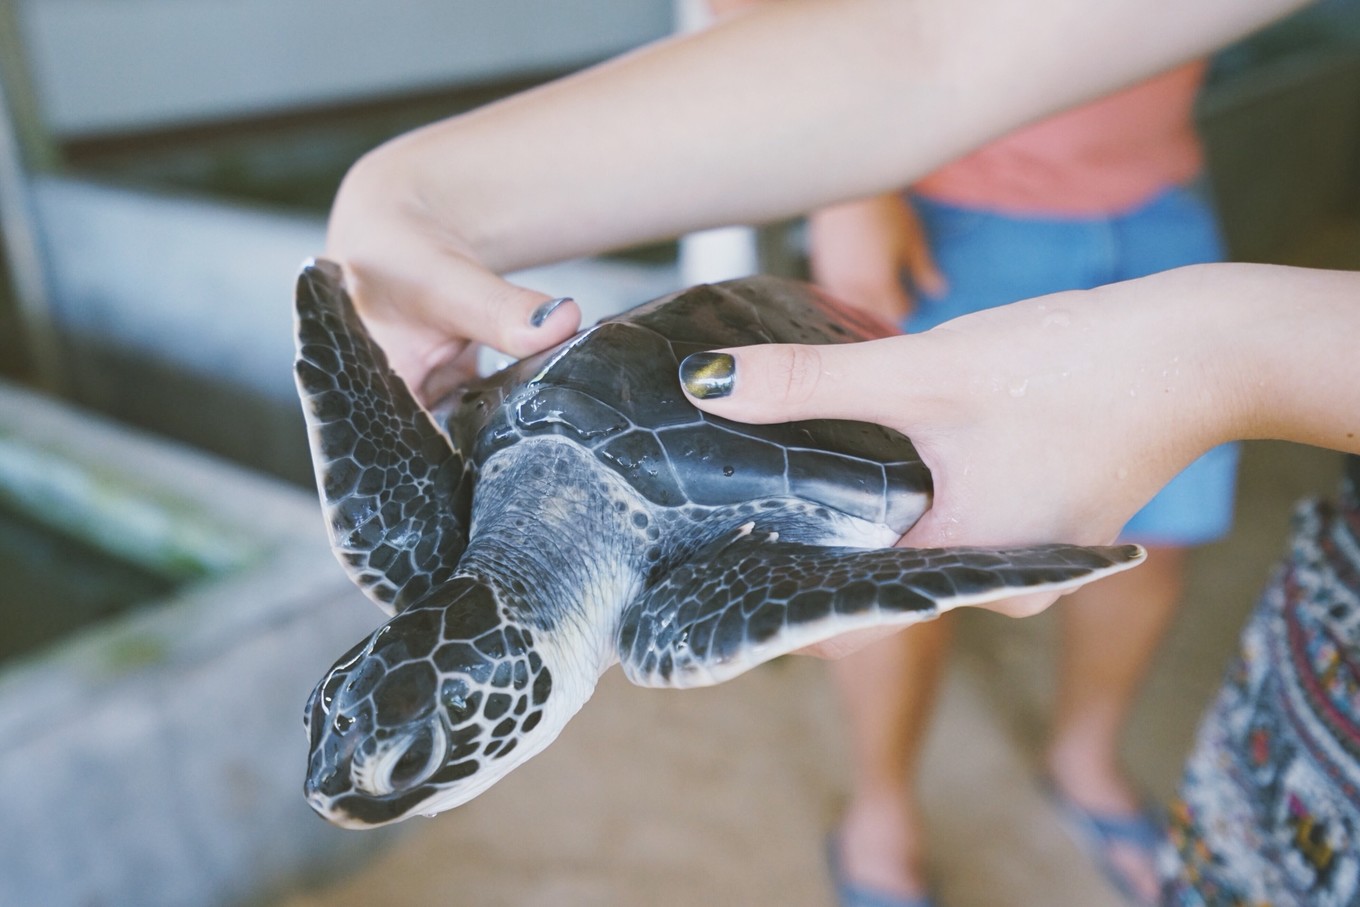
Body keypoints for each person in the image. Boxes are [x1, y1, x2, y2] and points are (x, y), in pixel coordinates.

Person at [320, 0, 1359, 902]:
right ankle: (885, 809)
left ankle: (1073, 764)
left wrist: (1221, 353)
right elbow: (933, 43)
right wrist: (421, 192)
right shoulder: (443, 557)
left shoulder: (652, 622)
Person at [799, 65, 1234, 907]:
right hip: (941, 210)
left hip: (1161, 195)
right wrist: (847, 188)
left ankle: (1084, 759)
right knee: (902, 556)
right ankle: (881, 812)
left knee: (1154, 536)